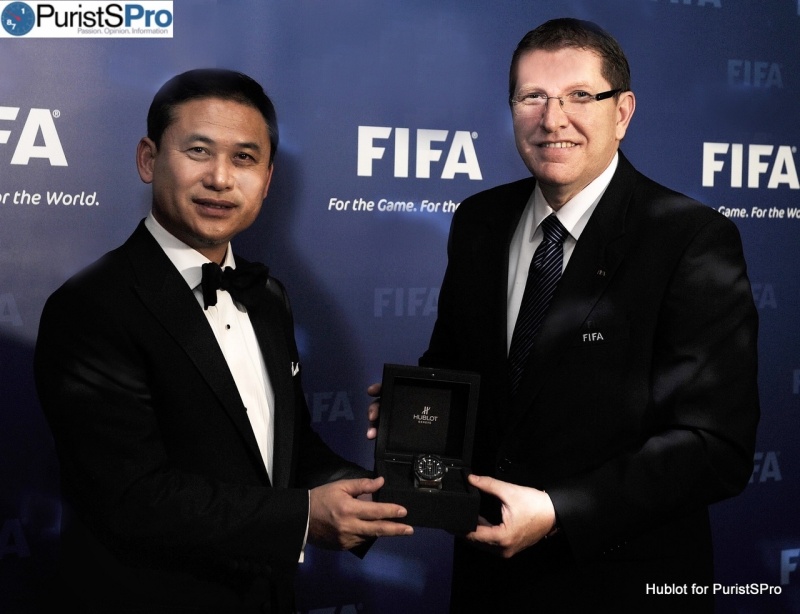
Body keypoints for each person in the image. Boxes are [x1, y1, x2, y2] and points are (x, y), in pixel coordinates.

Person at [368, 18, 758, 612]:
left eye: (579, 96)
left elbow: (715, 447)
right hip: (487, 578)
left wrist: (559, 511)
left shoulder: (691, 239)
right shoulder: (478, 221)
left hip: (621, 585)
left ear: (622, 112)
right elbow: (457, 368)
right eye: (533, 97)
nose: (553, 119)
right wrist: (420, 412)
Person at [34, 68, 412, 614]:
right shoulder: (91, 306)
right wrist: (304, 518)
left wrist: (385, 493)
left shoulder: (269, 297)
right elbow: (131, 498)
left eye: (244, 158)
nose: (219, 178)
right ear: (148, 159)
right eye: (198, 151)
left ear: (267, 178)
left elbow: (285, 450)